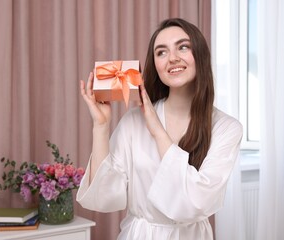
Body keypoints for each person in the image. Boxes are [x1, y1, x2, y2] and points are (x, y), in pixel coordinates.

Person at [77, 18, 243, 240]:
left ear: (200, 56)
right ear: (155, 65)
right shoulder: (133, 121)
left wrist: (157, 130)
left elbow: (198, 200)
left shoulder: (226, 128)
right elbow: (104, 194)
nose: (173, 58)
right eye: (161, 52)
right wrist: (101, 126)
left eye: (183, 47)